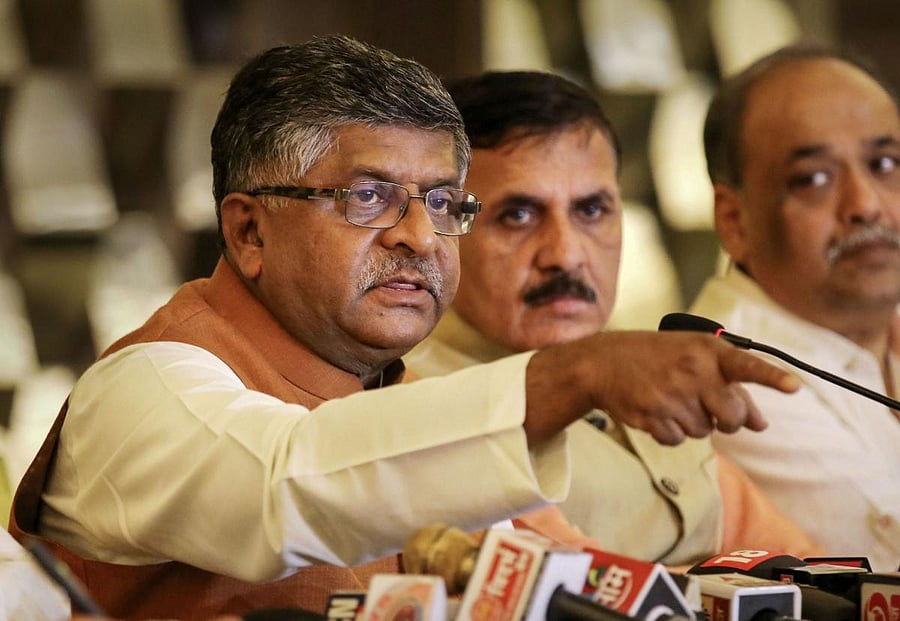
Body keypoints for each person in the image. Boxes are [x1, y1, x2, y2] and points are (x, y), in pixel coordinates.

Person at [10, 35, 800, 619]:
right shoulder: (146, 385)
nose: (421, 237)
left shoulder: (403, 399)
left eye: (443, 201)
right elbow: (285, 484)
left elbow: (574, 581)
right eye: (368, 197)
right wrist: (573, 373)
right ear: (249, 231)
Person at [404, 70, 821, 565]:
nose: (566, 255)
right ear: (443, 227)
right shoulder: (415, 400)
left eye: (591, 210)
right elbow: (576, 590)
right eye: (518, 215)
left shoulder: (643, 373)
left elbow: (805, 568)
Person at [689, 42, 900, 571]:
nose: (866, 205)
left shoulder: (880, 326)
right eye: (814, 178)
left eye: (884, 164)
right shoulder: (735, 374)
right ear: (735, 221)